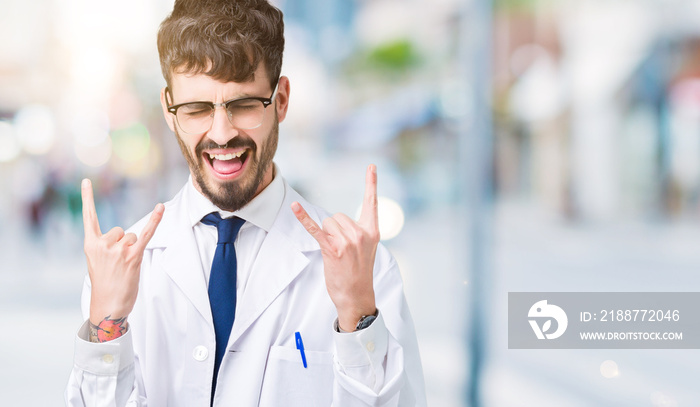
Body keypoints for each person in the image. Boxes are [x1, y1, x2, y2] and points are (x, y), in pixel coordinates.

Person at [65, 0, 425, 406]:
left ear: (282, 99)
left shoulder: (365, 269)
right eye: (197, 108)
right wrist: (105, 327)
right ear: (169, 109)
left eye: (244, 105)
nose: (221, 134)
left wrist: (358, 317)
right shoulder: (125, 267)